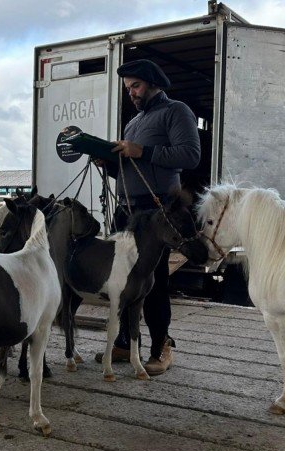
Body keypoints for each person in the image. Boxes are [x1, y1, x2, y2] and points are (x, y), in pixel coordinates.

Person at [94, 59, 201, 375]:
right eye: (128, 88)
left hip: (157, 213)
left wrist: (143, 151)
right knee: (121, 278)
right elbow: (130, 169)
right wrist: (109, 163)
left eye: (136, 86)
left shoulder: (176, 111)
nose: (132, 93)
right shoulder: (133, 123)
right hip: (128, 211)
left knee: (152, 281)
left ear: (154, 83)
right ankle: (127, 343)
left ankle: (160, 346)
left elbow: (190, 155)